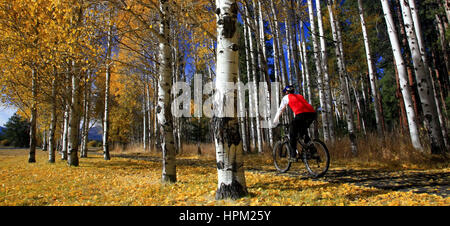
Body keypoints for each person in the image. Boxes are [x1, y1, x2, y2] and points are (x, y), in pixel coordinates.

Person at [273, 85, 317, 162]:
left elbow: (280, 110)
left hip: (301, 115)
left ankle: (293, 155)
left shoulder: (286, 97)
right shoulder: (299, 96)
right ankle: (313, 151)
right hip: (312, 114)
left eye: (285, 92)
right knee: (303, 132)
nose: (285, 93)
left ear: (287, 92)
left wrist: (275, 121)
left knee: (292, 133)